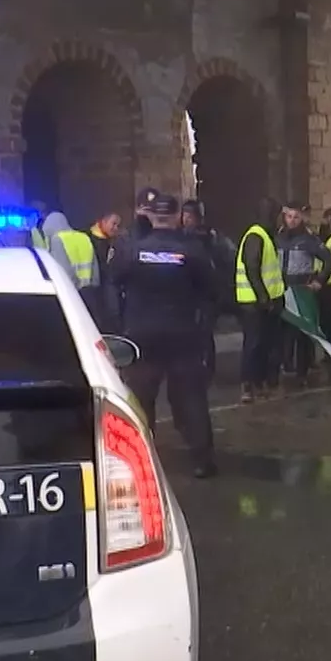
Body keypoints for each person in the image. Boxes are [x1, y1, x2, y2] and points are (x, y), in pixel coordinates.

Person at [107, 194, 218, 478]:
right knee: (191, 398)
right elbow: (212, 290)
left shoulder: (132, 249)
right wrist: (202, 325)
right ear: (178, 215)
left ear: (150, 216)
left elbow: (110, 284)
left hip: (142, 336)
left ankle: (141, 459)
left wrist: (120, 324)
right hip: (183, 334)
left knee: (142, 399)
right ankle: (202, 460)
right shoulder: (191, 250)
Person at [274, 201, 331, 383]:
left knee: (302, 333)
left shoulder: (309, 240)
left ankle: (302, 371)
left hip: (301, 290)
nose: (292, 221)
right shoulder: (278, 238)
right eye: (289, 216)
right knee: (283, 332)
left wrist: (319, 281)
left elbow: (329, 260)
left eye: (296, 217)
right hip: (281, 289)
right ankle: (285, 365)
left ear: (302, 219)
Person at [233, 201, 286, 403]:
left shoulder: (264, 236)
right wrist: (264, 298)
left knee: (263, 345)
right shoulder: (256, 236)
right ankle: (249, 384)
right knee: (254, 345)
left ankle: (259, 382)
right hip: (254, 303)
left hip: (262, 302)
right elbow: (252, 268)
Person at [181, 199, 234, 379]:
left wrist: (220, 288)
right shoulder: (181, 237)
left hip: (207, 294)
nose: (186, 219)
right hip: (187, 293)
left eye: (190, 215)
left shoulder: (213, 238)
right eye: (184, 215)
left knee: (204, 331)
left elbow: (226, 262)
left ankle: (206, 368)